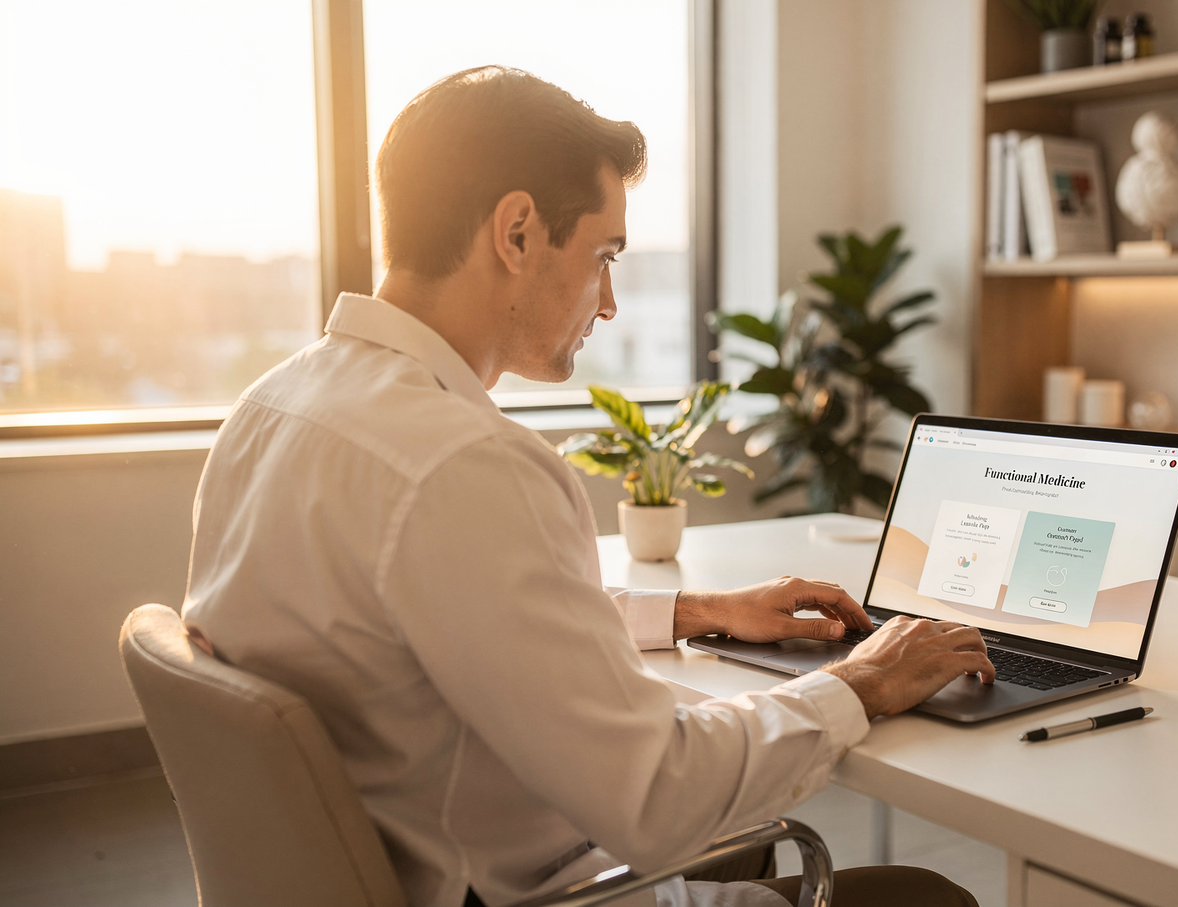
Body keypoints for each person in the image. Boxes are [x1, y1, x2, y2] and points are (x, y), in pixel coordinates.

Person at [181, 66, 993, 907]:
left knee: (741, 839)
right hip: (529, 886)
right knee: (925, 897)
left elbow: (457, 617)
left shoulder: (269, 410)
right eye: (603, 256)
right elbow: (658, 795)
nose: (607, 303)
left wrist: (695, 612)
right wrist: (860, 681)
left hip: (390, 861)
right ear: (518, 231)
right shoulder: (466, 463)